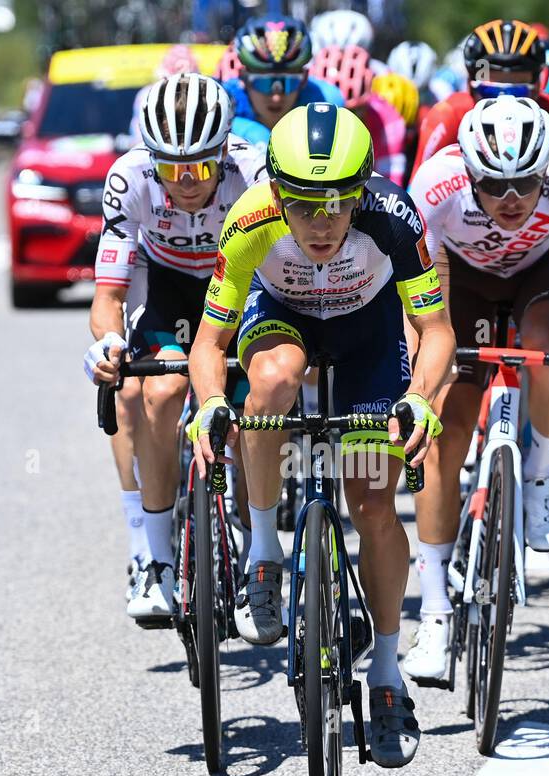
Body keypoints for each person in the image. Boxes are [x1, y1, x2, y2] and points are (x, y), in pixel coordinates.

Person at [186, 103, 455, 767]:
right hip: (284, 323)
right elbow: (208, 342)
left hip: (367, 337)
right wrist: (213, 402)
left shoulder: (393, 217)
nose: (322, 221)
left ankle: (388, 677)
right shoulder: (249, 218)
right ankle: (264, 553)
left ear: (362, 189)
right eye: (303, 205)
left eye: (337, 203)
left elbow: (439, 330)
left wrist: (420, 401)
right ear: (277, 191)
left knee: (370, 503)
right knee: (272, 383)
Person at [401, 95, 549, 680]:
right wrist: (423, 369)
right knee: (444, 424)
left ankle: (543, 474)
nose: (512, 199)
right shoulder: (435, 184)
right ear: (469, 172)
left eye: (525, 183)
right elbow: (417, 296)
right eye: (494, 186)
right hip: (458, 281)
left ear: (545, 167)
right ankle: (435, 614)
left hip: (539, 277)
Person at [83, 74, 266, 621]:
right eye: (171, 168)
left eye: (202, 167)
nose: (186, 181)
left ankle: (260, 553)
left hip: (241, 283)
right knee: (159, 393)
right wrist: (108, 343)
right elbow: (109, 293)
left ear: (224, 153)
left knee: (250, 410)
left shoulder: (253, 173)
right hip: (165, 282)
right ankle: (156, 559)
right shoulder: (129, 175)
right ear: (151, 157)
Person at [409, 19, 549, 196]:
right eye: (491, 91)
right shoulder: (448, 114)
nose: (504, 102)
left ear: (538, 88)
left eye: (518, 92)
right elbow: (417, 193)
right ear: (469, 84)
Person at [223, 16, 343, 146]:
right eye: (263, 83)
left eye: (288, 84)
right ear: (243, 79)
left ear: (304, 80)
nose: (276, 97)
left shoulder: (326, 101)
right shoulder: (225, 103)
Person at [310, 45, 407, 185]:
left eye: (353, 112)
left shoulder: (390, 121)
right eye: (332, 114)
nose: (342, 124)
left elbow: (389, 188)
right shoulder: (298, 103)